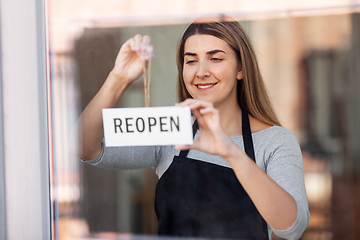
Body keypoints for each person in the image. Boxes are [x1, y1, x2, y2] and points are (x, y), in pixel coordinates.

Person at [78, 15, 309, 240]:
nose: (201, 71)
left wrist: (231, 152)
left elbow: (291, 228)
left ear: (241, 69)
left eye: (215, 58)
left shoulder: (276, 141)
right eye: (191, 60)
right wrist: (118, 78)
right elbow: (84, 147)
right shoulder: (172, 129)